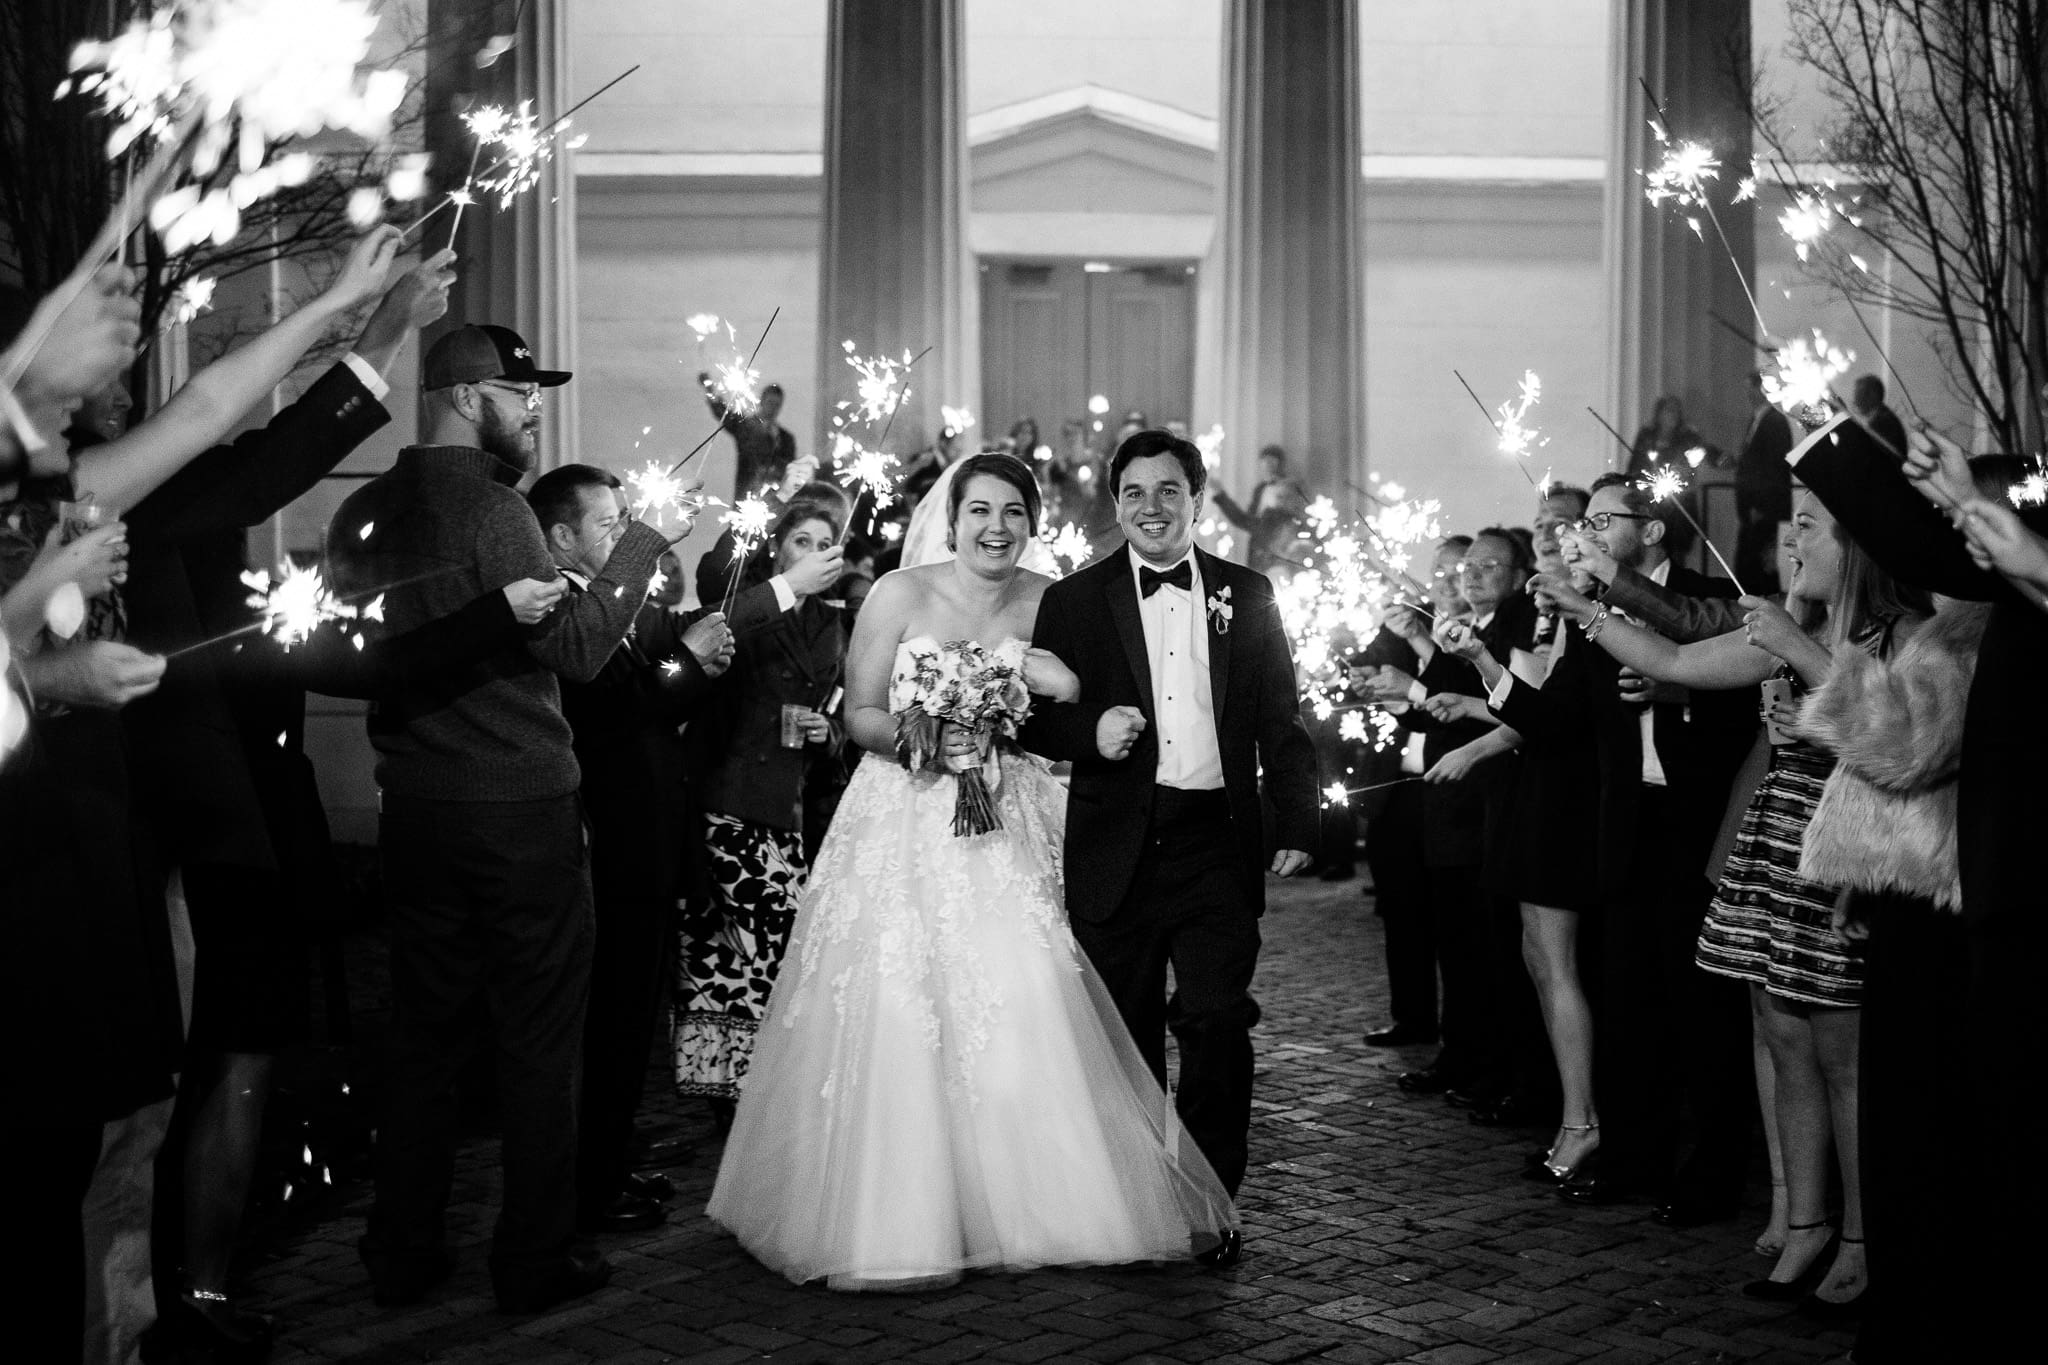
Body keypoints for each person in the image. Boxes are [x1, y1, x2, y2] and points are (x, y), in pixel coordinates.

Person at [706, 451, 1238, 1288]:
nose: (997, 527)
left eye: (1013, 513)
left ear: (1032, 524)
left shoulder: (1052, 599)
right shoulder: (897, 594)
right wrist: (926, 736)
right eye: (980, 511)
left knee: (1023, 996)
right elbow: (862, 711)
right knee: (898, 1002)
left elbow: (1086, 709)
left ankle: (1039, 1199)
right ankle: (902, 1209)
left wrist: (1060, 694)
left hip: (1009, 813)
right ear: (950, 520)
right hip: (904, 814)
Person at [327, 322, 682, 1315]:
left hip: (416, 809)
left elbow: (361, 654)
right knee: (538, 1039)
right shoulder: (497, 512)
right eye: (519, 394)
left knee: (425, 1036)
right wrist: (642, 546)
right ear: (465, 396)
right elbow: (575, 653)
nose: (534, 411)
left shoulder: (362, 509)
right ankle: (532, 1256)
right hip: (519, 811)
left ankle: (402, 1247)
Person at [1571, 488, 1930, 1313]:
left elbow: (1899, 743)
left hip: (1847, 852)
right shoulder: (1798, 623)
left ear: (1856, 544)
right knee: (1782, 1034)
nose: (1788, 539)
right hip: (1777, 848)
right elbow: (1677, 660)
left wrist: (1797, 652)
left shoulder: (1902, 634)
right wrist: (1584, 609)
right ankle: (1804, 1223)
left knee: (1844, 1056)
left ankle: (1862, 1241)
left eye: (1806, 524)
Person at [1022, 429, 1319, 1251]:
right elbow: (1034, 720)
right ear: (1116, 504)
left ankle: (1210, 1196)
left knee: (1217, 1020)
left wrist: (1299, 818)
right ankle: (1140, 1197)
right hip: (1116, 844)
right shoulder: (1074, 600)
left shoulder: (1248, 592)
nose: (1151, 507)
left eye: (1168, 491)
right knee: (1125, 1034)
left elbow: (1280, 718)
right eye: (1134, 493)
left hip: (1216, 842)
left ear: (1196, 499)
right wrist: (1090, 730)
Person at [528, 464, 746, 1238]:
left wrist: (699, 663)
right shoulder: (561, 609)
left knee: (631, 1018)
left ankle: (611, 1161)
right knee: (611, 1018)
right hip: (612, 841)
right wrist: (686, 657)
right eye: (610, 524)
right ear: (562, 538)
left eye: (626, 520)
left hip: (646, 836)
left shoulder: (603, 600)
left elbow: (653, 687)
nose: (623, 535)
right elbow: (620, 706)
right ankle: (591, 1182)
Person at [673, 495, 850, 1125]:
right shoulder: (746, 604)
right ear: (777, 548)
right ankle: (730, 1097)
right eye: (800, 540)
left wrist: (827, 734)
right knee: (731, 952)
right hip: (729, 800)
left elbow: (839, 708)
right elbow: (716, 592)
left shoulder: (832, 622)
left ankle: (761, 1089)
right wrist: (769, 514)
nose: (812, 553)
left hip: (789, 806)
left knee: (776, 951)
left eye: (823, 544)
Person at [1735, 373, 1795, 593]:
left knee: (1760, 568)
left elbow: (1774, 467)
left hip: (1764, 509)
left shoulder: (1774, 422)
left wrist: (1761, 506)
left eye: (1751, 388)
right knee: (1749, 567)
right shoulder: (1757, 419)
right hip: (1753, 509)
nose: (1747, 394)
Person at [700, 374, 795, 499]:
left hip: (772, 500)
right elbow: (723, 413)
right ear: (762, 401)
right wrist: (710, 389)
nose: (773, 408)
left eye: (777, 405)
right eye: (770, 402)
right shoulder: (745, 427)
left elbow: (789, 470)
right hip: (745, 496)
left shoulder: (786, 438)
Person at [1626, 395, 1711, 480]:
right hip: (1649, 485)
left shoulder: (1687, 438)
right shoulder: (1646, 437)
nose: (1674, 415)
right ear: (1659, 414)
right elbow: (1634, 467)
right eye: (1670, 410)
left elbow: (1697, 463)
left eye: (1677, 411)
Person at [1848, 375, 1907, 458]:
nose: (1854, 401)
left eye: (1858, 395)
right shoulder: (1884, 417)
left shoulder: (1881, 423)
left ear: (1872, 395)